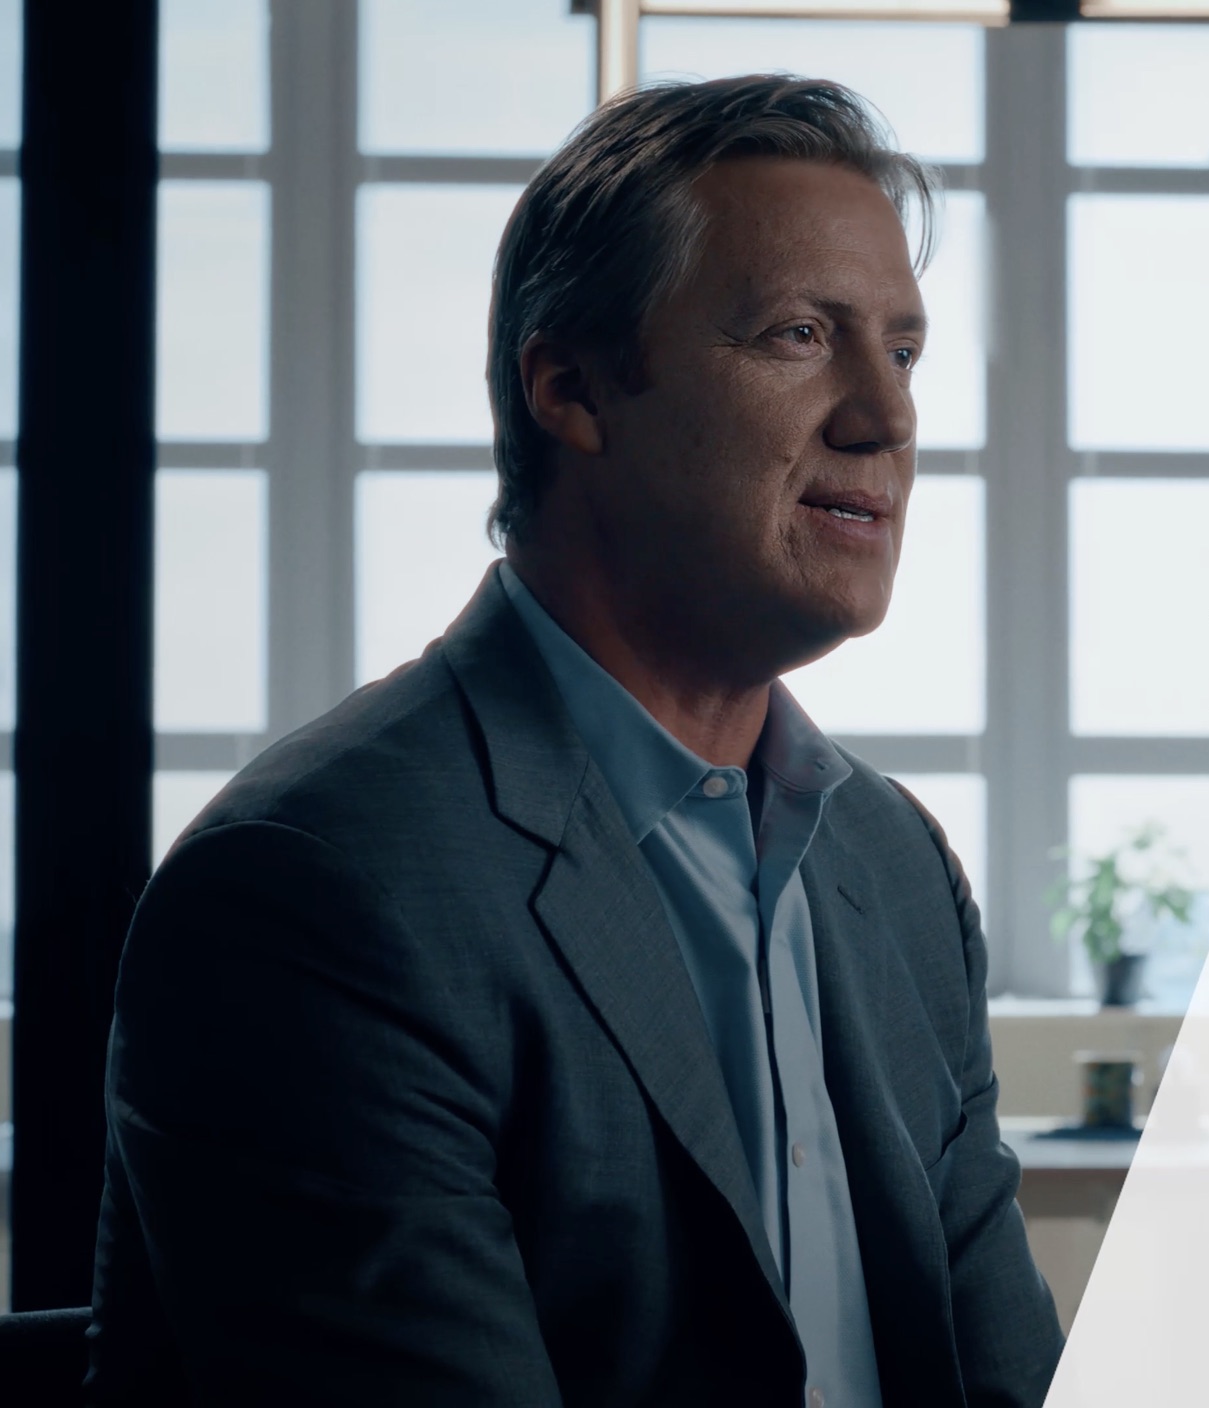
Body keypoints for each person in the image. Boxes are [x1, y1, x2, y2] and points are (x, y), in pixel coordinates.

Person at [87, 75, 1064, 1406]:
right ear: (573, 388)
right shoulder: (318, 892)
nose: (884, 420)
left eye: (899, 352)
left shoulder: (894, 870)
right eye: (796, 334)